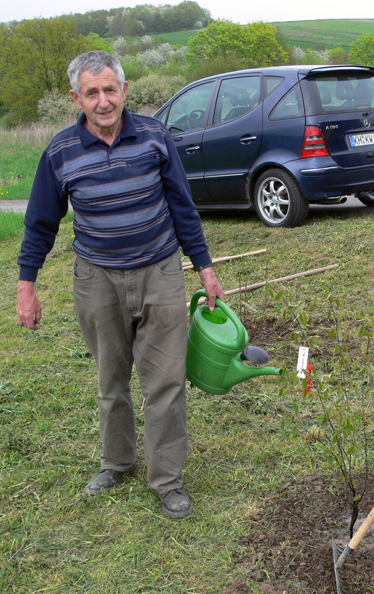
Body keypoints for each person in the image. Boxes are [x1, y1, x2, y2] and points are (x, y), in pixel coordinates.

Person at [16, 50, 226, 520]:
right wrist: (26, 286)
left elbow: (183, 207)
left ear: (125, 90)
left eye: (110, 89)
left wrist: (205, 266)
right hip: (97, 280)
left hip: (160, 271)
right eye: (92, 92)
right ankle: (118, 463)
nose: (103, 100)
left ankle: (167, 479)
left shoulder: (155, 136)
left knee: (166, 380)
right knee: (111, 379)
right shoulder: (60, 152)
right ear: (77, 97)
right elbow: (39, 223)